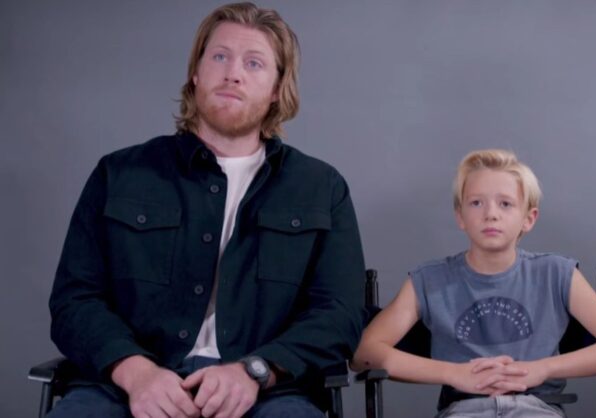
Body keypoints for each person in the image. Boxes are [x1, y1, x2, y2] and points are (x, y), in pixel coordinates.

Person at [48, 3, 366, 418]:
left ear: (277, 88)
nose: (233, 73)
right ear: (196, 73)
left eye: (254, 63)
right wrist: (136, 373)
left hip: (269, 393)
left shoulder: (321, 188)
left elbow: (340, 315)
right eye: (219, 56)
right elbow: (75, 300)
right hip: (125, 387)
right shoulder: (119, 174)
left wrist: (256, 371)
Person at [352, 149, 596, 417]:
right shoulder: (429, 281)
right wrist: (453, 374)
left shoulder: (556, 274)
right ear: (460, 216)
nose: (490, 214)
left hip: (537, 408)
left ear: (528, 218)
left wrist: (542, 369)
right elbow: (364, 353)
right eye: (476, 203)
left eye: (505, 204)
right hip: (463, 409)